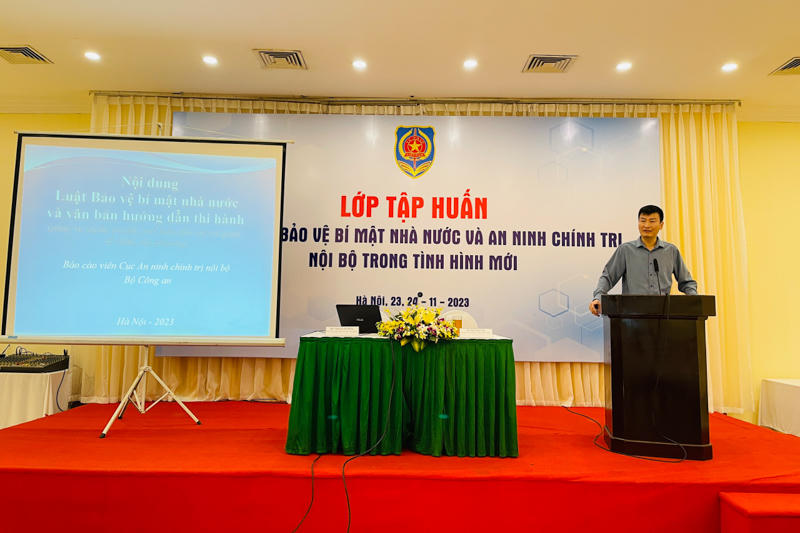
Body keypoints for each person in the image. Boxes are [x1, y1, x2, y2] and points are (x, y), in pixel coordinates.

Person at [589, 205, 697, 316]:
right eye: (643, 220)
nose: (646, 225)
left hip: (663, 316)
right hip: (631, 316)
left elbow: (687, 282)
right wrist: (598, 297)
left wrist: (695, 300)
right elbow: (608, 277)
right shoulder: (626, 250)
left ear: (661, 225)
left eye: (652, 221)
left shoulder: (671, 251)